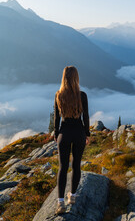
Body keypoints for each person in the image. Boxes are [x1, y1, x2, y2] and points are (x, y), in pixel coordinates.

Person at [53, 66, 90, 215]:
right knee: (76, 165)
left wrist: (56, 134)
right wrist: (87, 133)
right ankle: (72, 196)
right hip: (79, 132)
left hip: (64, 133)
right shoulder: (82, 95)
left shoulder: (58, 95)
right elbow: (86, 116)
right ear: (76, 78)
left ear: (64, 78)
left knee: (63, 167)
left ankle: (60, 202)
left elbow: (56, 118)